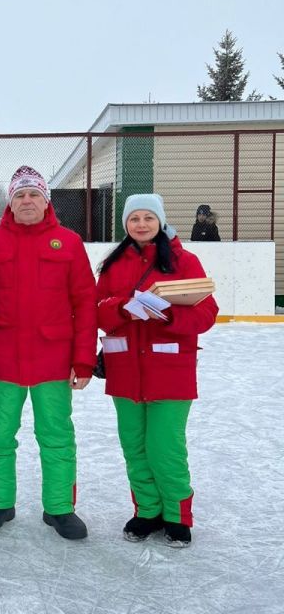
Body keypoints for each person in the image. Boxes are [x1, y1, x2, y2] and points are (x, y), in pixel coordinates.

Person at [0, 166, 97, 539]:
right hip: (2, 359)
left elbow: (85, 303)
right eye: (20, 195)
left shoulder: (68, 243)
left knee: (56, 436)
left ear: (45, 200)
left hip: (53, 359)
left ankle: (60, 508)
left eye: (34, 194)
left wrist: (84, 358)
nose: (26, 201)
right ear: (10, 201)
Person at [97, 194, 218, 548]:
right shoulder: (113, 264)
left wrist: (168, 316)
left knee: (165, 448)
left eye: (149, 217)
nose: (141, 225)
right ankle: (147, 511)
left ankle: (178, 516)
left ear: (161, 221)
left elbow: (207, 313)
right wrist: (123, 308)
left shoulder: (184, 260)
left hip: (170, 372)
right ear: (125, 224)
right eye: (134, 218)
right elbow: (95, 311)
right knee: (134, 448)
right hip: (124, 372)